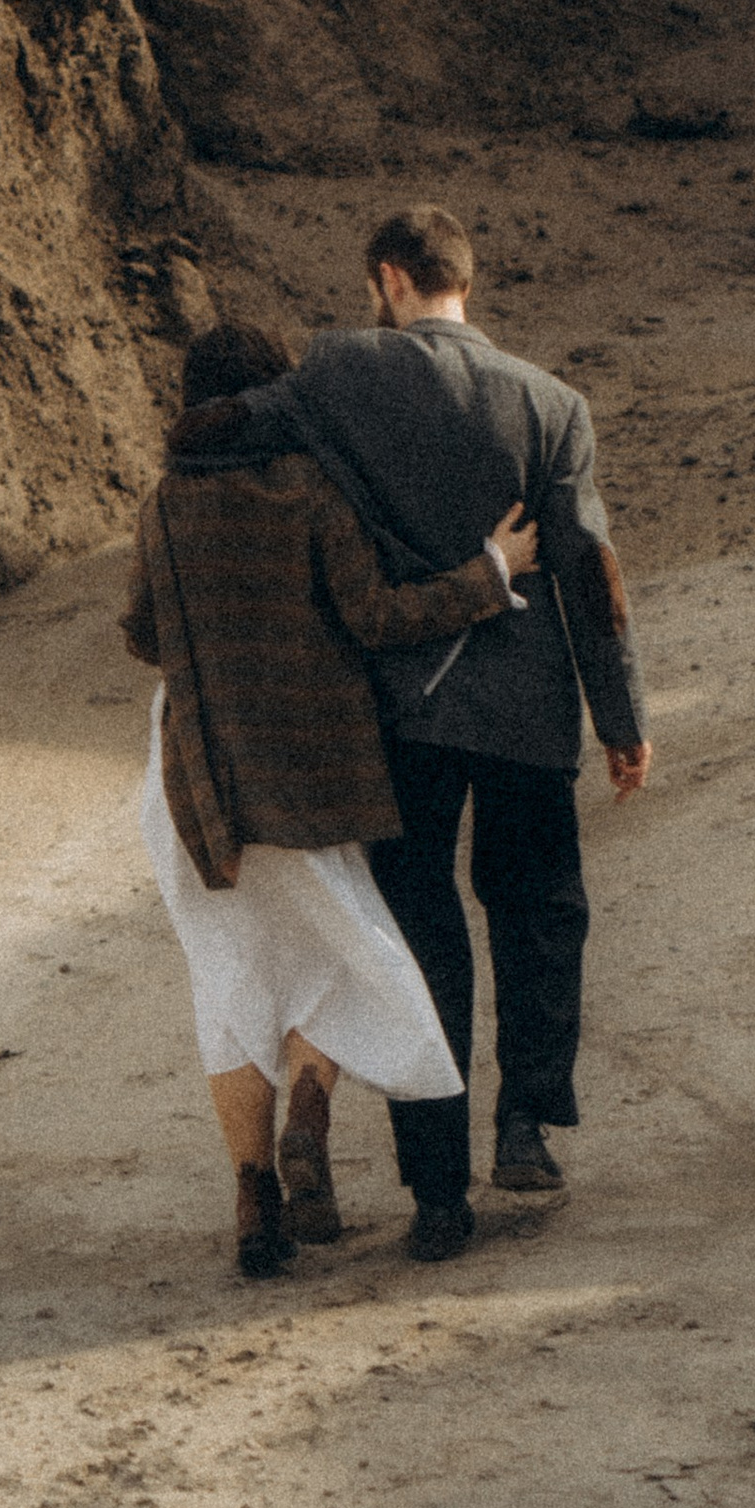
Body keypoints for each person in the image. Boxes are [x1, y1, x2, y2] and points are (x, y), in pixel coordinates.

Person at [163, 210, 650, 1265]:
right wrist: (620, 721)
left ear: (388, 278)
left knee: (422, 939)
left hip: (406, 715)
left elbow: (232, 424)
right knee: (536, 908)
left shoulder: (339, 375)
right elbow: (589, 573)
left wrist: (184, 446)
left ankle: (438, 1197)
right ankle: (526, 1122)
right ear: (464, 283)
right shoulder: (552, 404)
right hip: (526, 707)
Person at [121, 320, 542, 1280]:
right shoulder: (306, 489)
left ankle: (253, 1199)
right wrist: (488, 575)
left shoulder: (164, 503)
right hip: (310, 767)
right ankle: (310, 1112)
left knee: (229, 982)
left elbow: (144, 632)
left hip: (194, 775)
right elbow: (376, 616)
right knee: (345, 957)